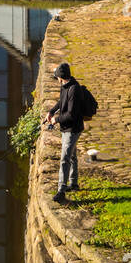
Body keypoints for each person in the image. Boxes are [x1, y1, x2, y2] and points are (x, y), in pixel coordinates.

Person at [44, 61, 83, 204]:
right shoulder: (65, 86)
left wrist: (56, 120)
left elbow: (71, 114)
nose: (57, 80)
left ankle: (61, 190)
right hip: (66, 128)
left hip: (73, 129)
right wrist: (51, 111)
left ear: (61, 77)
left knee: (64, 159)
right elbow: (61, 102)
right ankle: (74, 184)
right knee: (72, 156)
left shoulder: (74, 89)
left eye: (57, 77)